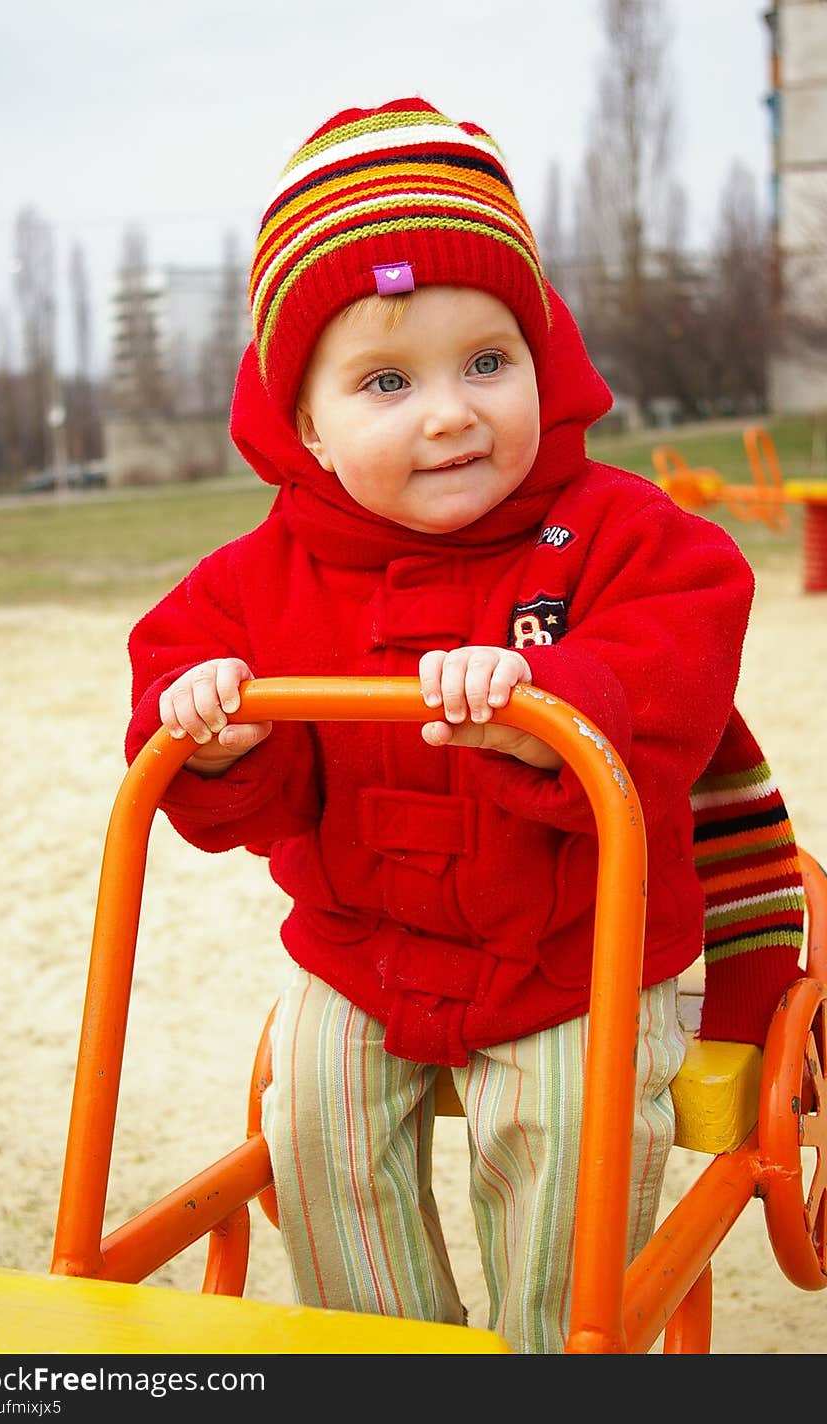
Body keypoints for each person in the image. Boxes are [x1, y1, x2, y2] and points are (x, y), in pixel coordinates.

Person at [125, 97, 805, 1353]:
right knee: (310, 1118)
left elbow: (689, 619)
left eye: (487, 362)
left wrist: (561, 705)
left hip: (575, 953)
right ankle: (396, 1348)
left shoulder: (615, 529)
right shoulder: (266, 572)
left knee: (565, 1135)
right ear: (306, 426)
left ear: (545, 359)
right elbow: (175, 658)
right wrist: (212, 727)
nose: (449, 412)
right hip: (362, 946)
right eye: (386, 381)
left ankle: (555, 1348)